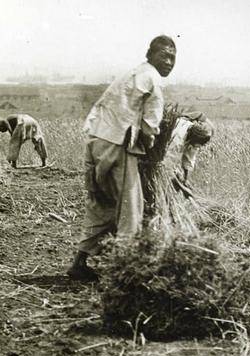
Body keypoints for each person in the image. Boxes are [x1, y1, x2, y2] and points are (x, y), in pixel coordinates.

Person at [66, 35, 177, 281]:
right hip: (117, 142)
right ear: (151, 55)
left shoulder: (132, 73)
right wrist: (149, 149)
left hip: (96, 139)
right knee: (131, 207)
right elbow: (151, 124)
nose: (169, 62)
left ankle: (79, 262)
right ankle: (125, 270)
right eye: (164, 56)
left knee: (102, 203)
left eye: (173, 57)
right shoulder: (153, 79)